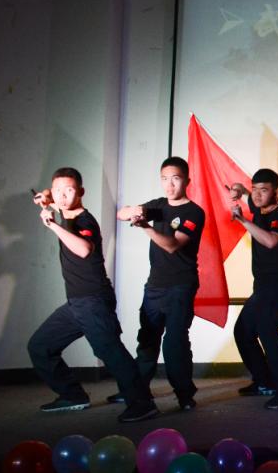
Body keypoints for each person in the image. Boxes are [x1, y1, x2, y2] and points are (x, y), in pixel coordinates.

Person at [27, 168, 158, 422]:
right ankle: (73, 395)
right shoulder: (62, 207)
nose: (63, 196)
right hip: (76, 304)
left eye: (69, 190)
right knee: (40, 346)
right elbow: (52, 196)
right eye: (58, 191)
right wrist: (46, 196)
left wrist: (52, 225)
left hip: (94, 300)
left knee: (110, 352)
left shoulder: (84, 220)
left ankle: (143, 404)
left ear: (81, 192)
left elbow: (84, 249)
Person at [108, 156, 205, 411]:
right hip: (154, 286)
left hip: (180, 286)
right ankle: (137, 391)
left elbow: (172, 245)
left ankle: (185, 395)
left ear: (187, 181)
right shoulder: (158, 206)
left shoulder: (193, 212)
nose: (169, 185)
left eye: (175, 179)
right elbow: (121, 213)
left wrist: (144, 226)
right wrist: (132, 211)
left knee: (175, 343)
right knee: (147, 339)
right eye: (164, 179)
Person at [228, 169, 278, 410]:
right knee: (243, 331)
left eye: (264, 190)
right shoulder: (258, 205)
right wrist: (239, 189)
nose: (258, 195)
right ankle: (265, 382)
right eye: (255, 189)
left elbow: (271, 241)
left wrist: (243, 220)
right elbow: (245, 191)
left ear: (275, 192)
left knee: (268, 332)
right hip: (262, 286)